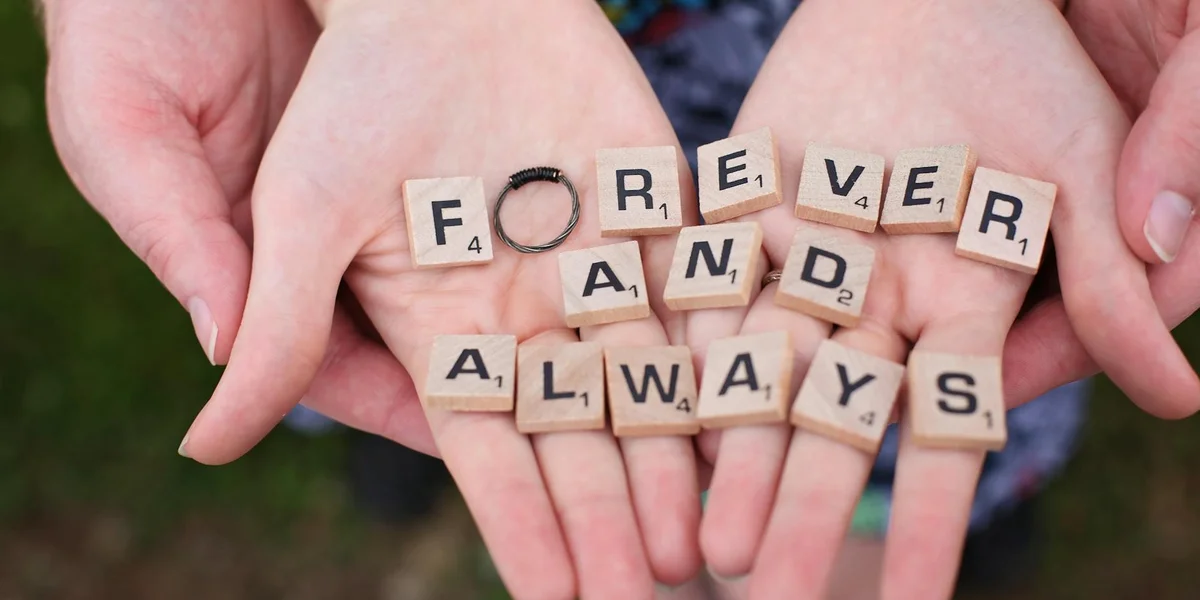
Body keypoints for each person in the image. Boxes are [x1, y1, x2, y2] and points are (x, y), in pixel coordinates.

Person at [42, 0, 1198, 598]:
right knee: (420, 336)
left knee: (892, 370)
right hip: (399, 76)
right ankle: (405, 438)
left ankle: (931, 511)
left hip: (909, 68)